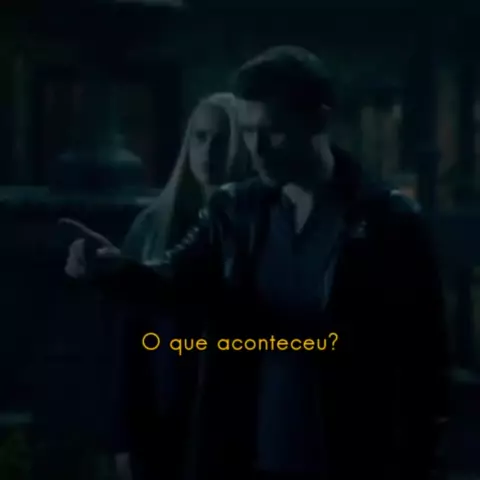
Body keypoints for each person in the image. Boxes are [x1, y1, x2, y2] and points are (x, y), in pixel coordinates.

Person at [63, 47, 450, 480]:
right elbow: (176, 279)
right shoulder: (236, 211)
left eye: (273, 132)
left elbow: (426, 357)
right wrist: (115, 270)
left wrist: (418, 455)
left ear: (318, 120)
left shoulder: (387, 220)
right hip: (250, 449)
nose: (257, 149)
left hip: (356, 453)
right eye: (248, 132)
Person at [63, 92, 250, 480]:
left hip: (234, 417)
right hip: (161, 413)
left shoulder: (258, 224)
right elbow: (125, 342)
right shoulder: (152, 226)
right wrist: (123, 440)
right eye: (199, 137)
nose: (208, 152)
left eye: (221, 140)